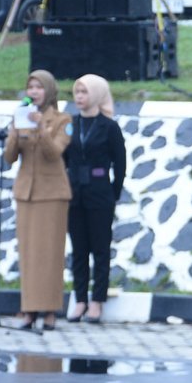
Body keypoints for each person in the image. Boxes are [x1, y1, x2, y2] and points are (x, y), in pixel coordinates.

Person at [3, 70, 71, 331]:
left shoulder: (63, 120)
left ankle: (50, 310)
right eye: (30, 87)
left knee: (50, 253)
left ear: (49, 91)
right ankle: (29, 309)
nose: (33, 92)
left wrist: (41, 128)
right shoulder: (22, 117)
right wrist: (14, 131)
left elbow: (54, 153)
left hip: (52, 193)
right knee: (29, 254)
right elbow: (10, 158)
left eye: (39, 88)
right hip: (26, 193)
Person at [65, 74, 126, 323]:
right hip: (75, 194)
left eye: (84, 92)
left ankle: (97, 301)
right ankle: (80, 299)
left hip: (100, 193)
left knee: (100, 250)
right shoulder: (71, 124)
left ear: (97, 95)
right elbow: (63, 158)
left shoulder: (108, 127)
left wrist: (114, 193)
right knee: (79, 250)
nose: (79, 97)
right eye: (77, 92)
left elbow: (120, 163)